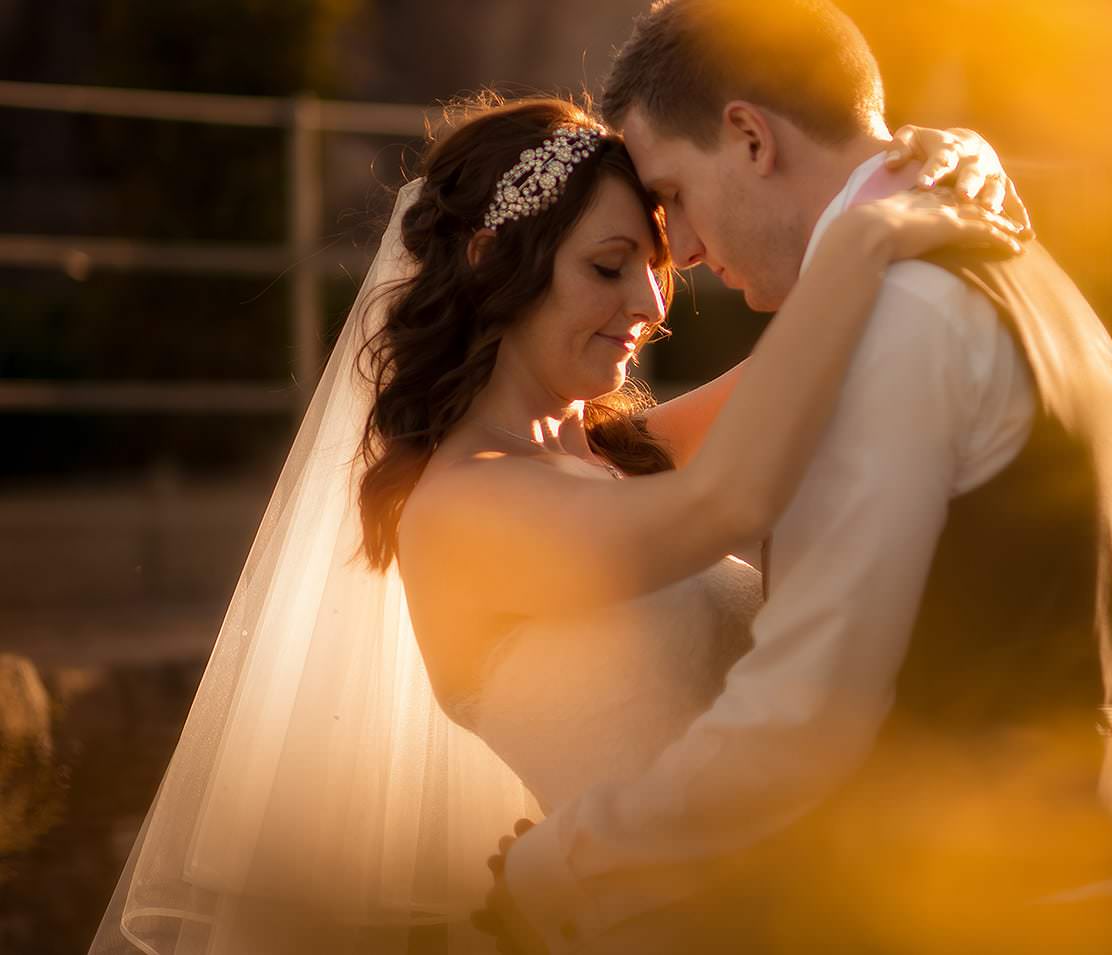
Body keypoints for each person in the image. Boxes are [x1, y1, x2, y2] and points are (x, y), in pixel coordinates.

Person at [88, 92, 1027, 955]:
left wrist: (948, 163)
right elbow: (729, 504)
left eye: (655, 269)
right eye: (609, 267)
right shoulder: (461, 507)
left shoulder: (623, 460)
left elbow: (827, 354)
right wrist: (864, 241)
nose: (653, 306)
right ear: (497, 261)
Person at [492, 1, 1112, 952]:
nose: (677, 250)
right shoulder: (1010, 263)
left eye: (675, 194)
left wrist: (563, 864)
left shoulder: (901, 315)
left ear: (749, 138)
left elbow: (806, 715)